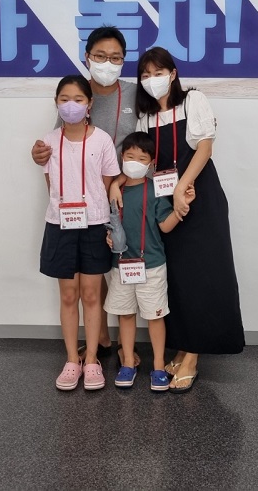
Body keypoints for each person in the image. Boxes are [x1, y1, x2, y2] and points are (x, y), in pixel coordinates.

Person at [113, 47, 245, 394]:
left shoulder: (193, 101)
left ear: (172, 74)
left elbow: (205, 147)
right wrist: (117, 183)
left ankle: (193, 356)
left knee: (202, 275)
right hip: (165, 205)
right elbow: (141, 161)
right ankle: (183, 347)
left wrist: (182, 187)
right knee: (177, 279)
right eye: (145, 75)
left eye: (158, 72)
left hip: (199, 198)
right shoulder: (145, 118)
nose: (152, 80)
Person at [31, 26, 138, 363]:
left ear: (124, 60)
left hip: (130, 189)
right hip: (90, 201)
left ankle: (127, 345)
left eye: (116, 57)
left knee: (127, 263)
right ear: (87, 57)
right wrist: (39, 156)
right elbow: (57, 152)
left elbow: (151, 137)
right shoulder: (74, 95)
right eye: (100, 56)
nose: (108, 63)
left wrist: (123, 179)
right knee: (95, 271)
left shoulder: (135, 94)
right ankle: (101, 339)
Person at [39, 75, 120, 391]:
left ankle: (92, 360)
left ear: (89, 104)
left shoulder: (102, 140)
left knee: (91, 294)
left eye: (77, 99)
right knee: (69, 295)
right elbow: (51, 185)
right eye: (64, 99)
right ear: (56, 103)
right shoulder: (48, 142)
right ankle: (72, 360)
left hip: (94, 224)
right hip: (60, 225)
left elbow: (107, 183)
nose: (70, 105)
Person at [104, 132, 194, 392]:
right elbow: (109, 223)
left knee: (155, 317)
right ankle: (128, 362)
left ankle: (158, 366)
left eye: (141, 158)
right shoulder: (115, 191)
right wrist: (108, 237)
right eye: (129, 156)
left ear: (151, 163)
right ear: (122, 157)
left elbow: (165, 226)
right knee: (125, 315)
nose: (134, 162)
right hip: (121, 266)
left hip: (151, 265)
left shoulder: (154, 190)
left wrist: (180, 209)